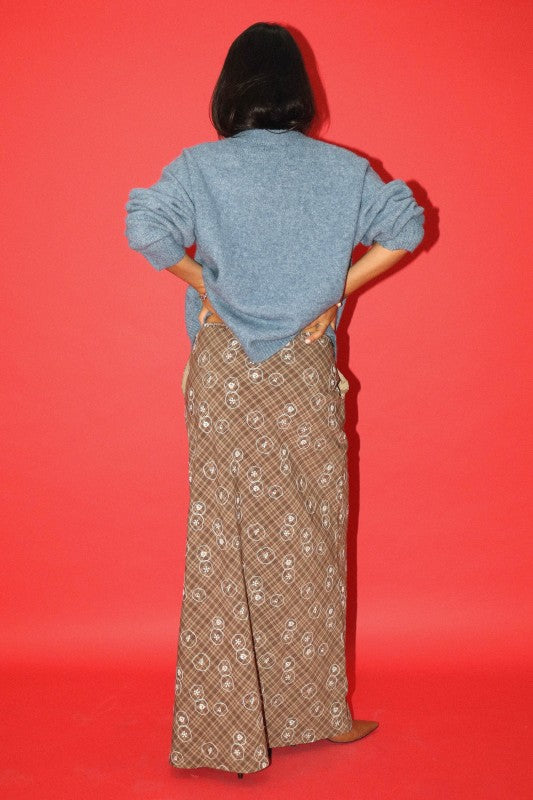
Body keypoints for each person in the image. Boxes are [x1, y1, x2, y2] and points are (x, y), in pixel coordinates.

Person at [124, 22, 425, 779]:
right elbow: (406, 226)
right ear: (300, 91)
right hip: (300, 373)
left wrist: (207, 287)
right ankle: (315, 713)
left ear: (229, 91)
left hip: (225, 371)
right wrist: (331, 290)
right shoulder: (342, 170)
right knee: (310, 538)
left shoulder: (199, 167)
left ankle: (226, 730)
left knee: (221, 536)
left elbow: (144, 227)